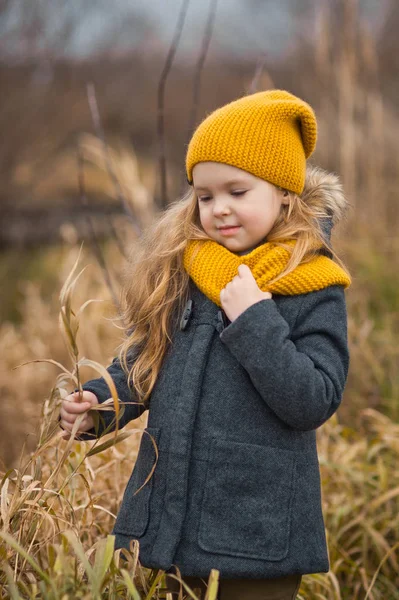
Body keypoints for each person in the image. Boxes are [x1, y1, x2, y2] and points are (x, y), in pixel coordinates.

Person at [59, 89, 352, 600]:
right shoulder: (189, 270)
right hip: (175, 518)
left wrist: (256, 318)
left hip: (258, 531)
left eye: (238, 191)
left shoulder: (313, 282)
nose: (218, 210)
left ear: (285, 191)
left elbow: (313, 399)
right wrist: (99, 404)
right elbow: (145, 361)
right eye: (205, 195)